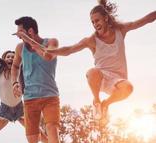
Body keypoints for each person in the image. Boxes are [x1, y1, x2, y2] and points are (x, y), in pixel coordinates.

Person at [25, 0, 156, 124]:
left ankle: (105, 105)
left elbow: (145, 20)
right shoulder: (91, 40)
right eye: (92, 22)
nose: (95, 24)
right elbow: (69, 49)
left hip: (118, 81)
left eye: (97, 20)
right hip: (101, 78)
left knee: (129, 88)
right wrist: (52, 51)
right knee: (92, 72)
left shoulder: (120, 30)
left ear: (106, 18)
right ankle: (97, 101)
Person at [11, 17, 65, 143]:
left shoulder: (52, 42)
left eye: (20, 32)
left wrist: (28, 40)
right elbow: (15, 66)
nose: (18, 36)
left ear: (30, 31)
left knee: (52, 129)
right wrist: (15, 83)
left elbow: (47, 56)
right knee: (33, 139)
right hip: (30, 99)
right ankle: (30, 125)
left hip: (50, 96)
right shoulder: (20, 48)